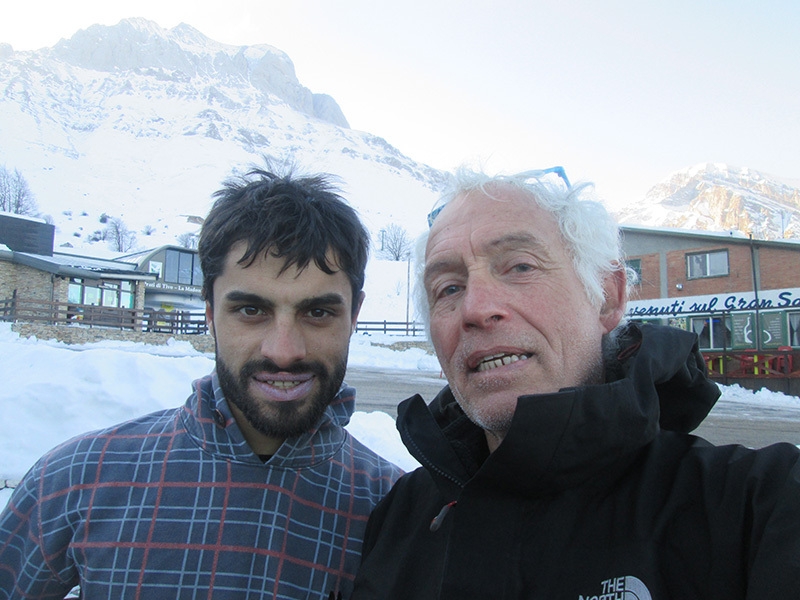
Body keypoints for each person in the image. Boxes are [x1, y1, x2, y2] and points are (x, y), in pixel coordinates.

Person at [351, 167, 800, 599]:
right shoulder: (396, 521)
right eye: (448, 288)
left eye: (521, 266)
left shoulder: (756, 509)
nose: (475, 307)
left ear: (607, 297)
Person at [0, 166, 403, 599]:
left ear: (354, 314)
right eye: (251, 310)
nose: (284, 351)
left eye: (318, 312)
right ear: (209, 309)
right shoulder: (76, 480)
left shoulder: (396, 514)